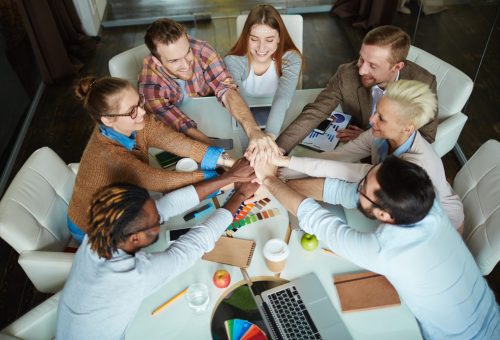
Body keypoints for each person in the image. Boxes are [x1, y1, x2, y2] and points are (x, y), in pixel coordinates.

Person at [254, 155, 500, 339]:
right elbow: (344, 191)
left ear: (384, 214)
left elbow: (317, 220)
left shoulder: (388, 251)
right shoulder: (424, 199)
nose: (357, 186)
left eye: (363, 188)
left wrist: (267, 178)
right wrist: (277, 183)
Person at [57, 177, 259, 339]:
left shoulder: (101, 230)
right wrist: (239, 195)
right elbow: (194, 245)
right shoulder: (132, 275)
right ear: (135, 237)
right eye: (156, 222)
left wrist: (229, 177)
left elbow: (164, 207)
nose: (160, 221)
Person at [272, 80, 464, 232]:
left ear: (408, 127)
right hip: (396, 208)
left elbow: (346, 171)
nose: (372, 121)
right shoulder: (381, 133)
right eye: (376, 112)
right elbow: (339, 156)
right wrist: (281, 171)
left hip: (440, 225)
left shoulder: (414, 165)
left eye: (381, 117)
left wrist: (282, 163)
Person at [68, 76, 241, 241]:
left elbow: (179, 143)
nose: (142, 111)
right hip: (93, 229)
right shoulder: (109, 156)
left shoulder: (138, 122)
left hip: (126, 205)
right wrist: (225, 178)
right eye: (132, 111)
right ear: (108, 120)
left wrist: (228, 162)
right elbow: (161, 181)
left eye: (139, 102)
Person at [275, 25, 438, 153]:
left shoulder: (423, 83)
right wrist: (278, 150)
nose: (361, 70)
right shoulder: (346, 73)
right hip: (348, 145)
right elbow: (316, 111)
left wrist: (371, 138)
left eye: (372, 65)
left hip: (391, 158)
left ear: (397, 67)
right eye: (361, 58)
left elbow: (426, 137)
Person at [138, 18, 278, 158]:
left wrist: (254, 131)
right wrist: (216, 153)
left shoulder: (202, 50)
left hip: (209, 111)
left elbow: (226, 89)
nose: (186, 65)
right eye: (174, 61)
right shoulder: (149, 83)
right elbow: (180, 124)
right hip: (180, 128)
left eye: (187, 53)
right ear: (157, 61)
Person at [224, 4, 304, 138]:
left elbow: (282, 98)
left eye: (269, 40)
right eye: (254, 39)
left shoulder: (291, 59)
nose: (261, 48)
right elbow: (240, 102)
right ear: (246, 37)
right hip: (246, 119)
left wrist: (270, 138)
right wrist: (254, 137)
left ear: (279, 38)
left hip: (280, 117)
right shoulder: (233, 61)